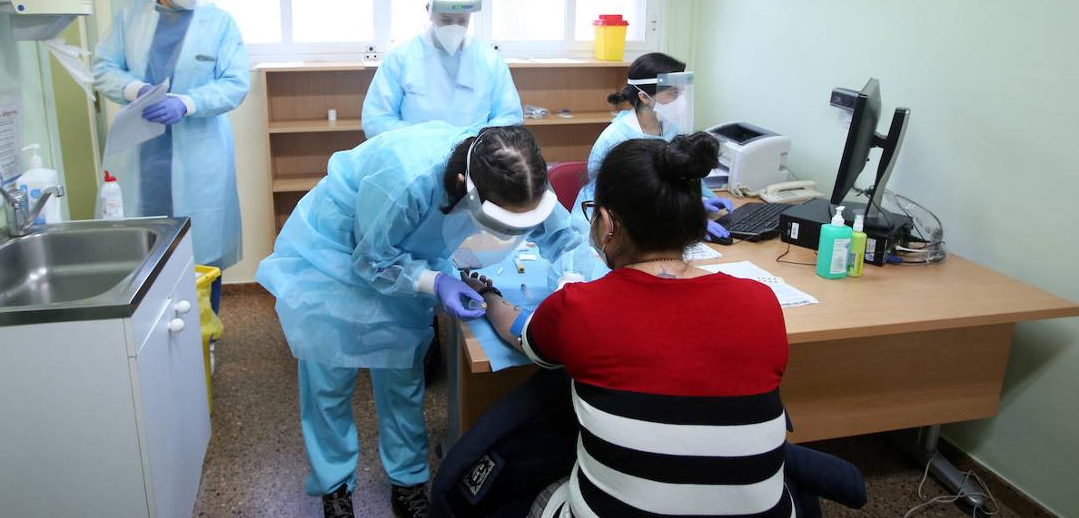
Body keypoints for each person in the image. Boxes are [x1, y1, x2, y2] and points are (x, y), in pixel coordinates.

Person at [256, 122, 600, 518]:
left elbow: (566, 237)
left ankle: (407, 483)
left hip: (403, 256)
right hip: (334, 259)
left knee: (402, 380)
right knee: (328, 385)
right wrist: (435, 281)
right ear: (463, 184)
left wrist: (579, 282)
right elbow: (371, 260)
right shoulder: (404, 178)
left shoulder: (519, 176)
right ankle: (334, 489)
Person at [466, 133, 795, 518]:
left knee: (537, 487)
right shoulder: (761, 303)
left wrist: (487, 296)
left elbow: (519, 331)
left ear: (607, 224)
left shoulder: (580, 307)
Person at [93, 0, 251, 280]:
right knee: (143, 250)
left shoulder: (219, 23)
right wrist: (134, 90)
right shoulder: (129, 18)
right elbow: (102, 68)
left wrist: (187, 103)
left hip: (200, 152)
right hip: (142, 152)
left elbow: (236, 83)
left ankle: (207, 333)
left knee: (203, 256)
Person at [569, 52, 732, 244]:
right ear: (644, 97)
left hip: (660, 223)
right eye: (673, 93)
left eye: (681, 92)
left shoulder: (669, 128)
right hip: (613, 232)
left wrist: (701, 202)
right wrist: (687, 220)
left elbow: (679, 178)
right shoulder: (617, 140)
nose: (681, 100)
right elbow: (624, 203)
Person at [361, 0, 522, 138]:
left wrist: (473, 142)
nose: (455, 27)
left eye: (463, 21)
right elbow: (376, 120)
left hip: (471, 159)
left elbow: (509, 118)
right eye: (446, 20)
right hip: (415, 159)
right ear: (429, 11)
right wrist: (424, 139)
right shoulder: (402, 58)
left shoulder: (489, 60)